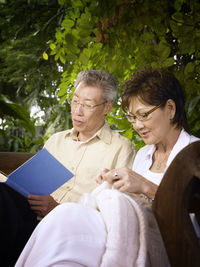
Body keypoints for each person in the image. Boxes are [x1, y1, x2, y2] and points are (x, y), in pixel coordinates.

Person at [15, 68, 199, 267]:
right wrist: (111, 186)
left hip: (169, 247)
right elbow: (135, 204)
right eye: (132, 117)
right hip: (128, 230)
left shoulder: (194, 154)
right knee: (62, 230)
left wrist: (144, 186)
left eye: (143, 115)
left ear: (170, 109)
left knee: (64, 216)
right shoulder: (143, 156)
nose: (137, 125)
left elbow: (190, 215)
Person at [0, 70, 135, 266]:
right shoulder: (56, 141)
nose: (78, 111)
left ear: (107, 107)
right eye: (75, 101)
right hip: (31, 218)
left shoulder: (120, 148)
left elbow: (118, 210)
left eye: (87, 105)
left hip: (73, 230)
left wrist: (57, 209)